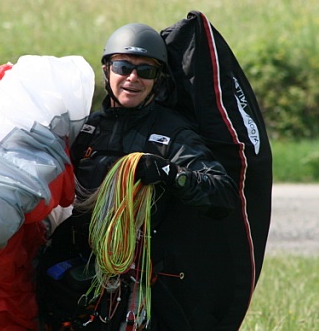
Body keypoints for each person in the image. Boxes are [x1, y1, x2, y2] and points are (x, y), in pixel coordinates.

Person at [36, 23, 240, 331]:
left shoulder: (172, 134)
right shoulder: (87, 129)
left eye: (145, 71)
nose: (133, 78)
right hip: (78, 266)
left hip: (139, 276)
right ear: (107, 71)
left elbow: (222, 194)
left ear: (158, 80)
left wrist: (169, 173)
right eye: (123, 67)